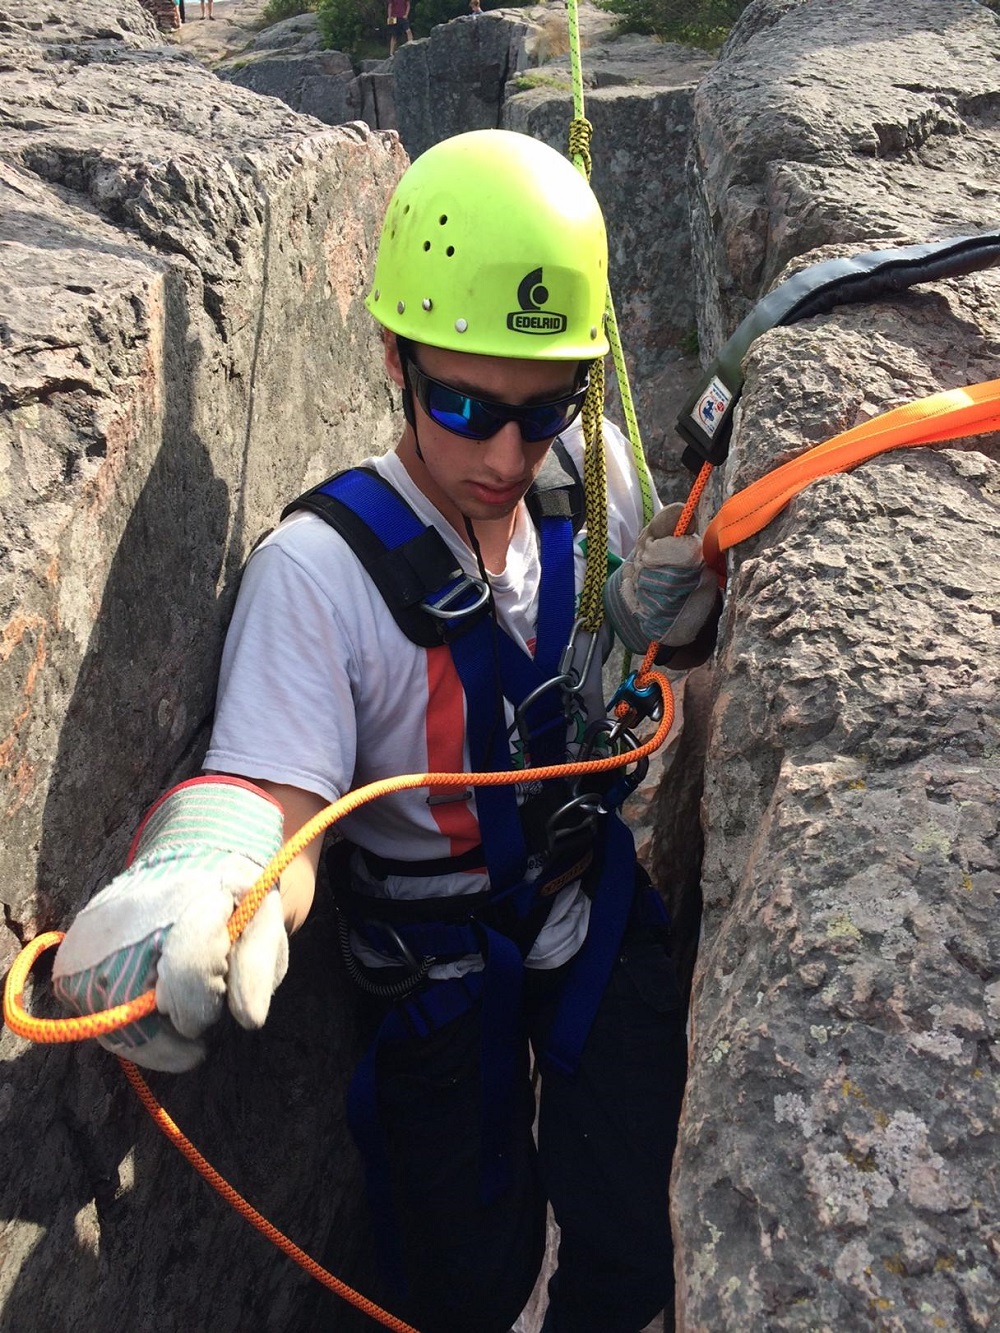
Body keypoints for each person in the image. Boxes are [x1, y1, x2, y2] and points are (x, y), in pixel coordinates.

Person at [51, 130, 719, 1333]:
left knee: (637, 1230)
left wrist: (664, 600)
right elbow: (283, 794)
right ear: (392, 362)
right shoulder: (321, 571)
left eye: (542, 407)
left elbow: (620, 632)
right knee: (464, 1274)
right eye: (462, 406)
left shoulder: (592, 476)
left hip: (586, 903)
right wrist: (211, 873)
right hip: (436, 963)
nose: (506, 454)